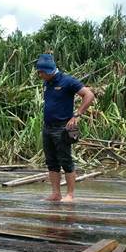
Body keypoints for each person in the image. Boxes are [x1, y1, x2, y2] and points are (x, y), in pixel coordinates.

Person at [36, 53, 95, 202]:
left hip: (63, 127)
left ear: (49, 71)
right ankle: (56, 194)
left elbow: (89, 95)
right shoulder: (46, 82)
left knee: (66, 160)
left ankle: (70, 195)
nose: (40, 75)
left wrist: (77, 115)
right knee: (51, 161)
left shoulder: (67, 81)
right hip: (48, 127)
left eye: (42, 72)